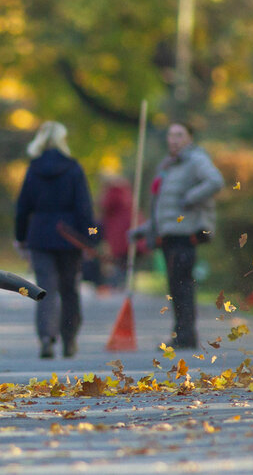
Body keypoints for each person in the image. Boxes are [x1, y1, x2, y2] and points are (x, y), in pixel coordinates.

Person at [129, 122, 224, 349]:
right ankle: (183, 333)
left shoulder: (195, 160)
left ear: (190, 138)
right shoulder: (169, 166)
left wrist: (191, 198)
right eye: (171, 135)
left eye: (179, 135)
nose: (174, 139)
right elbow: (166, 208)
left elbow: (215, 181)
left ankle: (185, 335)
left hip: (185, 234)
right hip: (169, 235)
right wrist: (144, 230)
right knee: (176, 286)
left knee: (182, 286)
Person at [15, 121, 94, 359]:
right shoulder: (73, 168)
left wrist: (20, 238)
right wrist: (92, 238)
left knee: (44, 289)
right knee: (70, 289)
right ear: (63, 139)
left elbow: (22, 208)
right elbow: (85, 210)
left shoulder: (33, 169)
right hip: (69, 237)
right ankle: (69, 340)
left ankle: (47, 338)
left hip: (39, 236)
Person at [98, 171, 134, 289]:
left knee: (116, 257)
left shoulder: (112, 193)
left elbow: (103, 206)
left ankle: (116, 283)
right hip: (126, 228)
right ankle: (124, 282)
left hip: (116, 229)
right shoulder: (126, 191)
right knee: (124, 257)